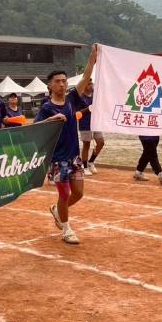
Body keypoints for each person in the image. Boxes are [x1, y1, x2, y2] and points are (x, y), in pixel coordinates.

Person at [35, 46, 97, 245]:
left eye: (64, 81)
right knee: (65, 193)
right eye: (58, 82)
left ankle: (57, 210)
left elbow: (85, 78)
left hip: (74, 156)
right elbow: (35, 127)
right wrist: (51, 119)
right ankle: (67, 229)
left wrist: (92, 59)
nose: (62, 84)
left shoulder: (71, 99)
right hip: (57, 158)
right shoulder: (46, 107)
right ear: (50, 86)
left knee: (78, 193)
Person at [78, 79, 103, 175]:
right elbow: (78, 112)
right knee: (86, 145)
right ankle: (84, 167)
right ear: (84, 86)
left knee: (101, 142)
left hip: (96, 123)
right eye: (88, 84)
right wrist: (88, 109)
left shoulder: (95, 96)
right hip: (85, 124)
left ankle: (91, 162)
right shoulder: (80, 97)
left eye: (91, 83)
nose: (91, 85)